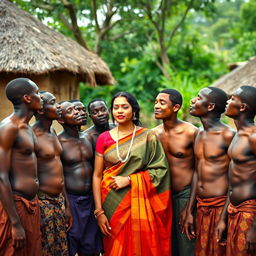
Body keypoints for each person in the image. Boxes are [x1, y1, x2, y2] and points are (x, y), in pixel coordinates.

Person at [93, 91, 172, 256]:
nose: (119, 111)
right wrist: (99, 212)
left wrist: (130, 180)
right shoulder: (104, 138)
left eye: (124, 107)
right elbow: (97, 176)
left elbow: (160, 170)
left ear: (134, 111)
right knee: (115, 248)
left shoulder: (148, 136)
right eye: (116, 107)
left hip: (139, 201)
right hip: (111, 203)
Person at [183, 87, 235, 256]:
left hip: (221, 207)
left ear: (210, 106)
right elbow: (197, 172)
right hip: (202, 206)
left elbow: (234, 178)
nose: (192, 100)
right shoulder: (199, 134)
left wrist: (224, 218)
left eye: (198, 98)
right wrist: (190, 209)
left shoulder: (229, 135)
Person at [0, 78, 43, 255]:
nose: (41, 96)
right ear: (27, 98)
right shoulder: (9, 127)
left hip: (32, 205)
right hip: (15, 206)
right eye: (38, 93)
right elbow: (1, 176)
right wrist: (15, 223)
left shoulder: (28, 127)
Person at [153, 89, 198, 256]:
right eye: (156, 102)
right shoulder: (153, 135)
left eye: (162, 103)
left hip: (185, 196)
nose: (156, 106)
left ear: (176, 107)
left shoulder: (191, 132)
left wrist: (190, 208)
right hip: (162, 198)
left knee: (187, 245)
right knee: (166, 247)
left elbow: (199, 170)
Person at [58, 101, 102, 256]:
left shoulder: (88, 138)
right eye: (71, 111)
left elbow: (96, 170)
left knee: (91, 247)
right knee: (71, 243)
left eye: (78, 110)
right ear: (61, 120)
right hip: (72, 200)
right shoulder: (58, 142)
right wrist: (67, 207)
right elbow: (59, 176)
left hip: (90, 200)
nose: (77, 112)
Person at [216, 86, 256, 255]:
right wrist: (224, 217)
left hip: (249, 213)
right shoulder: (238, 135)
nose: (227, 101)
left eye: (232, 99)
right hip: (233, 209)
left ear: (242, 107)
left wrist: (255, 228)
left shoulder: (253, 137)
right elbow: (233, 181)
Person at [32, 91, 71, 255]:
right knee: (44, 249)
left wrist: (67, 205)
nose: (59, 106)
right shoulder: (31, 135)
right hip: (43, 202)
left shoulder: (53, 133)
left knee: (60, 250)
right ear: (41, 109)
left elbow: (59, 170)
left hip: (59, 201)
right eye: (54, 102)